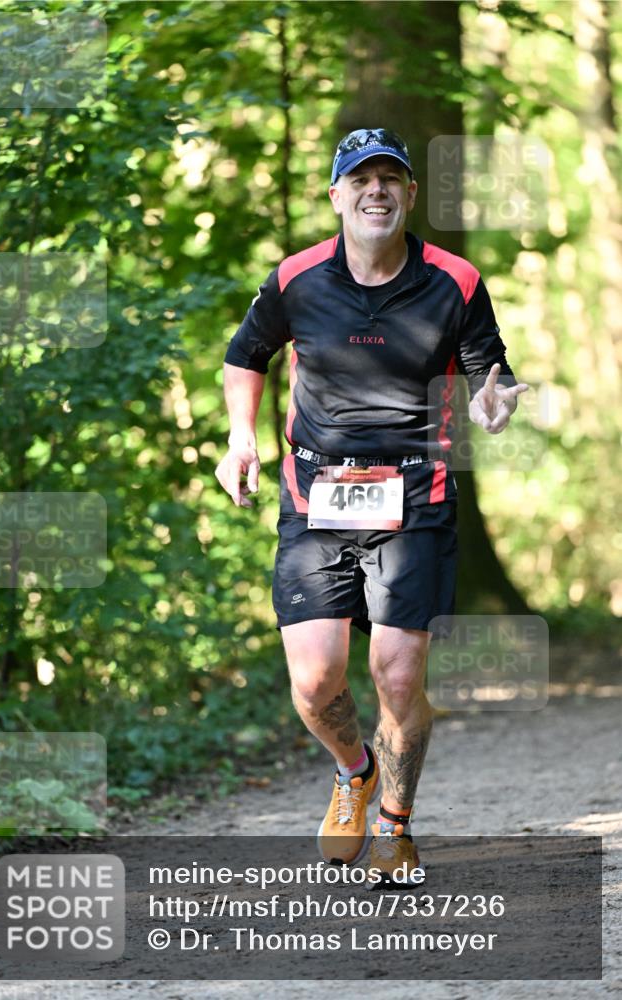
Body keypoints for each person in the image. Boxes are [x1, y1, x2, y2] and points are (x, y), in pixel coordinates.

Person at [215, 127, 527, 884]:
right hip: (314, 493)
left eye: (391, 177)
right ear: (337, 196)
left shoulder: (453, 278)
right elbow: (243, 356)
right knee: (316, 682)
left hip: (417, 491)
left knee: (394, 674)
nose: (376, 190)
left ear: (410, 194)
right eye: (360, 179)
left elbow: (490, 368)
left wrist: (493, 402)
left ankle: (395, 822)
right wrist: (239, 439)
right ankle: (352, 771)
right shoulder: (295, 278)